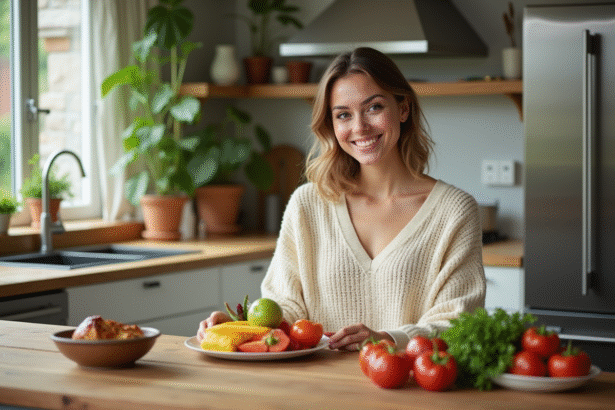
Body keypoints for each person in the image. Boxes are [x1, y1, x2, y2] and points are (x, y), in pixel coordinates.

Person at [197, 47, 485, 351]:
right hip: (319, 390)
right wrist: (237, 328)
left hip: (408, 388)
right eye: (344, 115)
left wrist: (389, 340)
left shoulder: (454, 211)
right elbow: (287, 309)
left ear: (403, 109)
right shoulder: (307, 204)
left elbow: (459, 321)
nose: (359, 127)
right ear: (332, 126)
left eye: (374, 108)